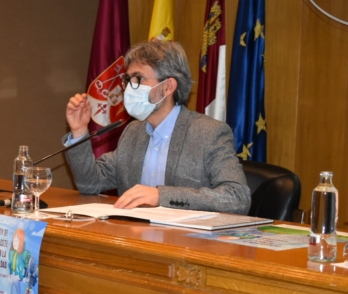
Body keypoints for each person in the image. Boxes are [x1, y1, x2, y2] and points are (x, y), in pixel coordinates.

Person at [63, 40, 251, 215]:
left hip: (186, 244)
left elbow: (237, 198)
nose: (129, 88)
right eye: (128, 80)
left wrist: (161, 196)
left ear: (168, 86)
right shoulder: (133, 132)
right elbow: (90, 183)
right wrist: (79, 131)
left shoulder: (209, 133)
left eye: (138, 79)